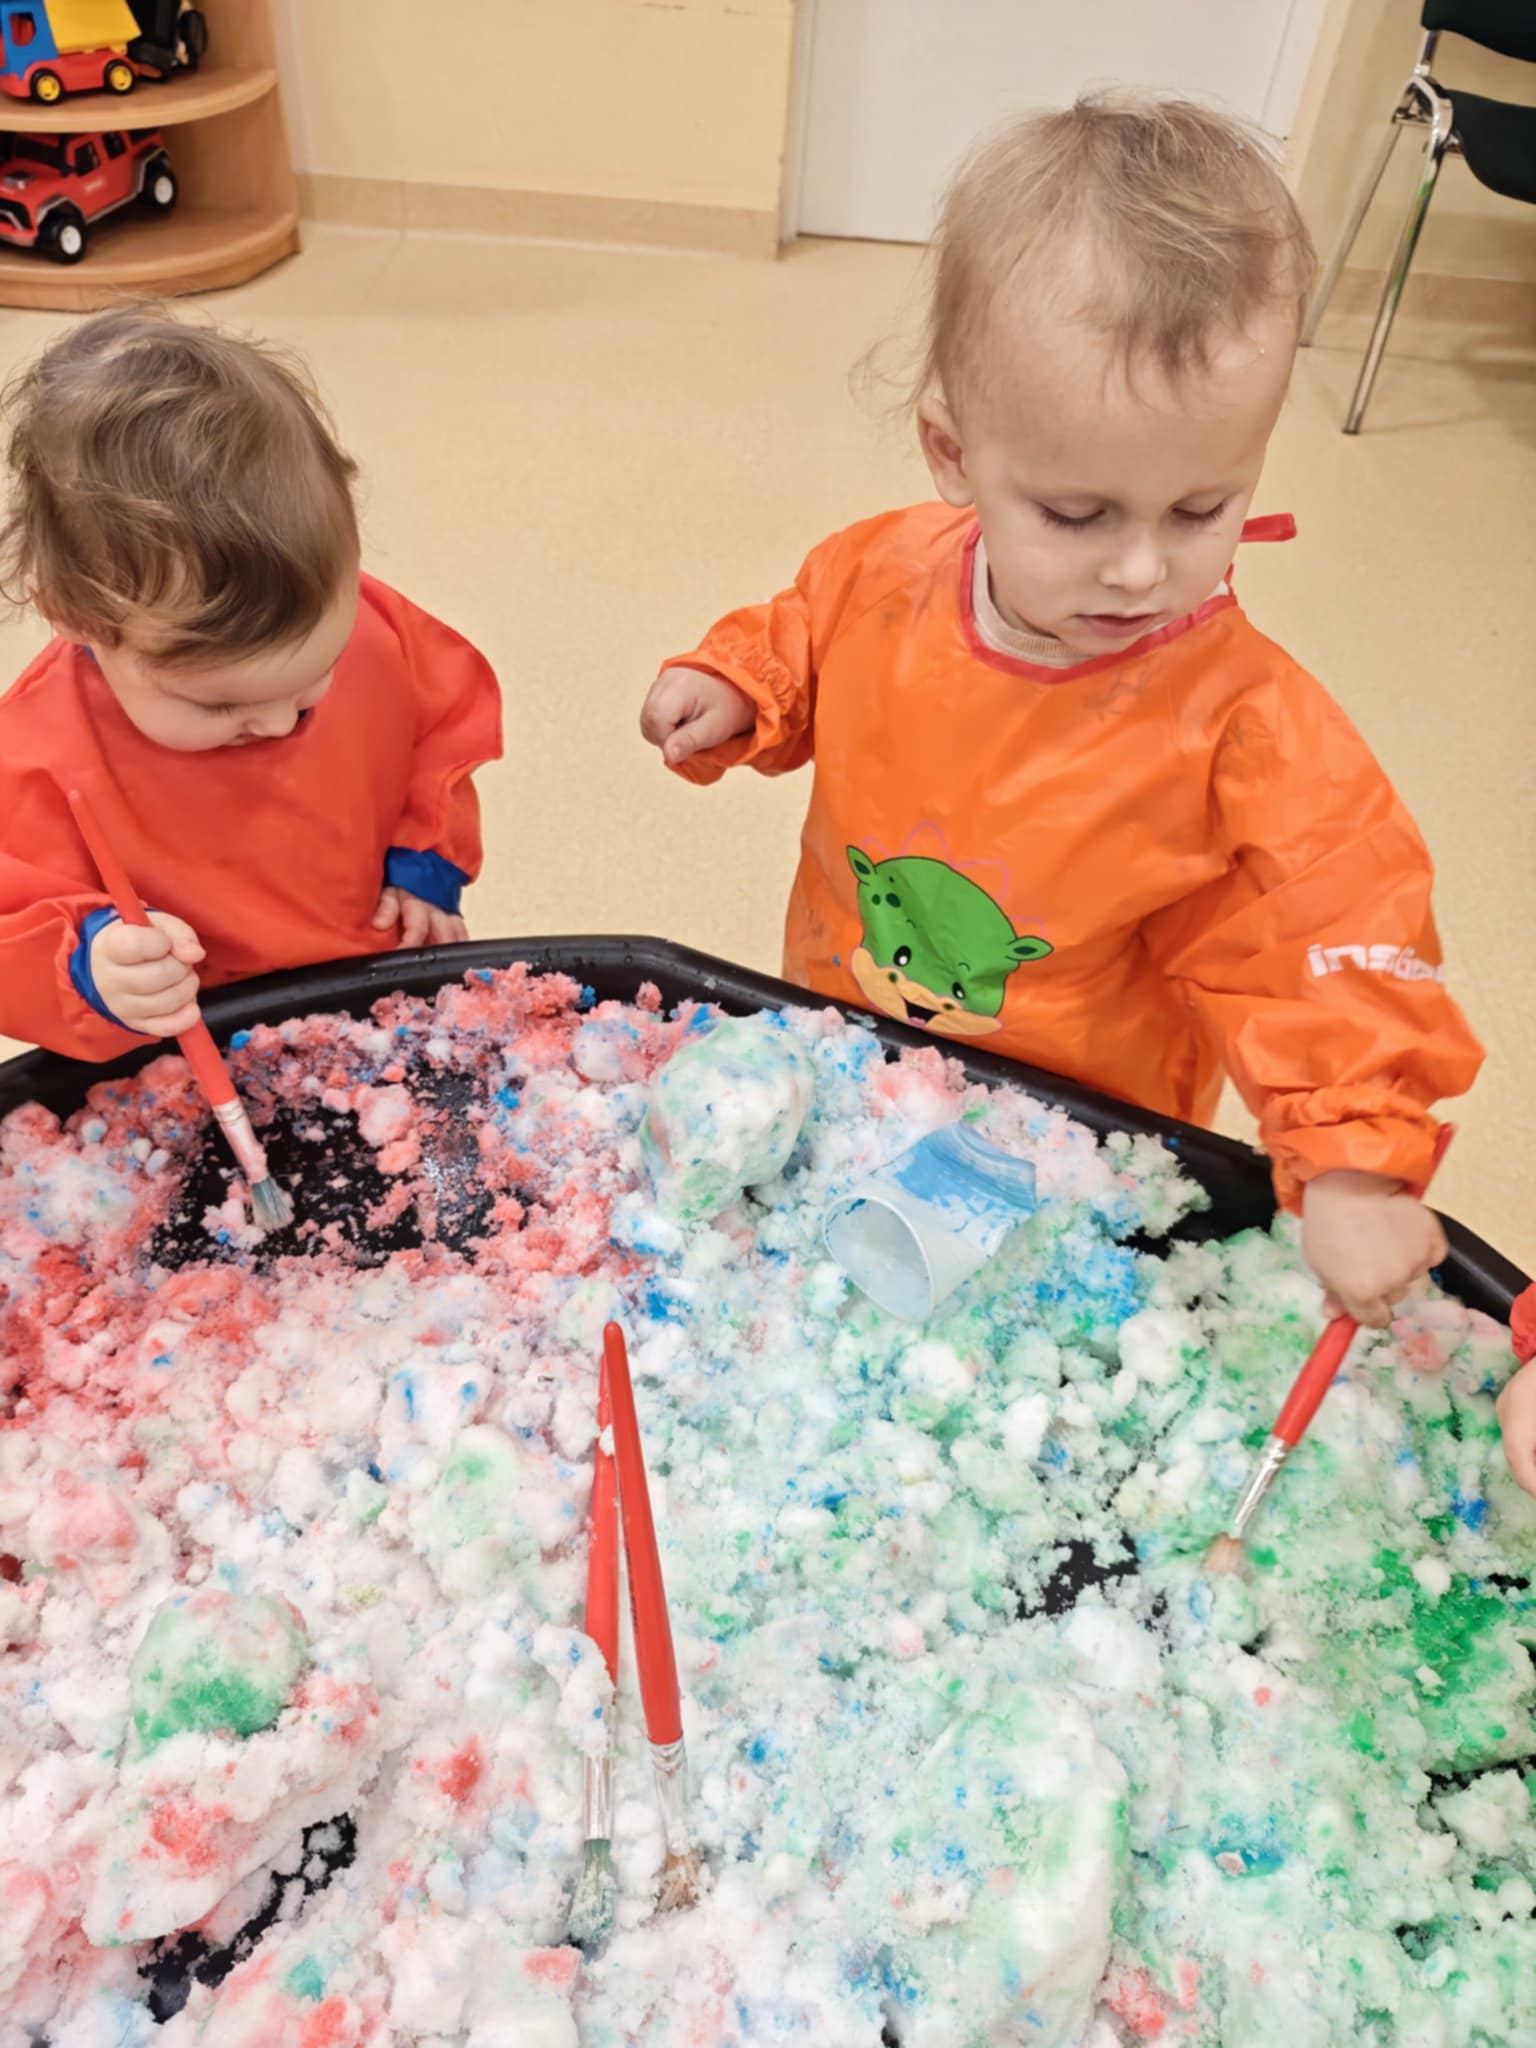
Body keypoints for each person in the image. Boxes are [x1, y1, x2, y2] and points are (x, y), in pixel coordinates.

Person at [640, 94, 1485, 1337]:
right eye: (1078, 516)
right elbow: (808, 630)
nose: (1140, 570)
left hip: (1074, 1130)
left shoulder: (1247, 727)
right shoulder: (883, 571)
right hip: (851, 1032)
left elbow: (1334, 937)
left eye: (1201, 510)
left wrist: (1355, 1165)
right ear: (953, 452)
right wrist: (744, 685)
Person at [0, 305, 501, 1063]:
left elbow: (441, 731)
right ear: (79, 619)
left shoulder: (372, 629)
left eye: (313, 679)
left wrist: (424, 859)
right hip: (193, 1042)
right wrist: (91, 970)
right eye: (222, 703)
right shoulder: (34, 758)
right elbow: (16, 929)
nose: (276, 723)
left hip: (374, 981)